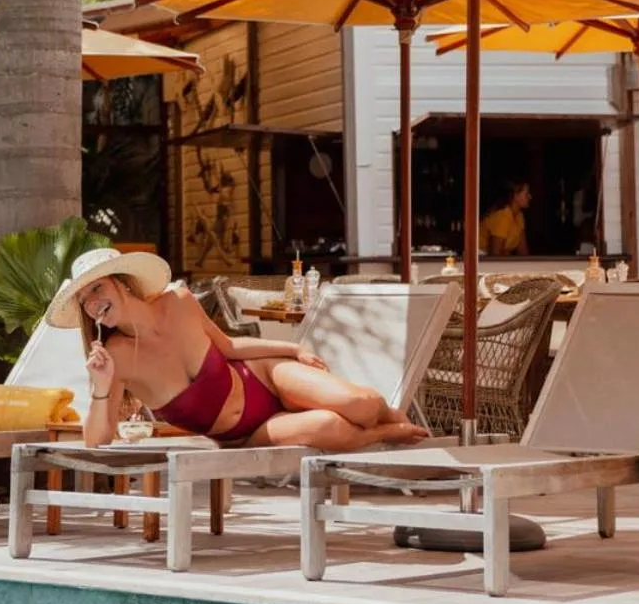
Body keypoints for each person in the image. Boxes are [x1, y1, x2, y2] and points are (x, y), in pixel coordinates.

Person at [46, 248, 429, 451]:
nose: (91, 303)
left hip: (263, 376)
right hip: (246, 431)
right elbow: (98, 440)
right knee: (330, 425)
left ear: (120, 283)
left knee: (361, 405)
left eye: (96, 289)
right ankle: (387, 435)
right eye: (83, 299)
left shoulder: (179, 300)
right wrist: (100, 384)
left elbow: (228, 347)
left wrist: (291, 351)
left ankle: (413, 434)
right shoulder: (114, 360)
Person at [479, 180, 531, 258]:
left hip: (499, 261)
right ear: (515, 196)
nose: (530, 197)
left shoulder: (519, 216)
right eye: (526, 194)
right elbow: (495, 255)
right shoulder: (502, 216)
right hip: (480, 260)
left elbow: (523, 251)